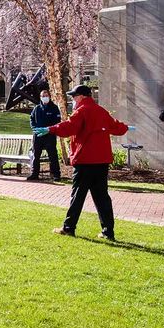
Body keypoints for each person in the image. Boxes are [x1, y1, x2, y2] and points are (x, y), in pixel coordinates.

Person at [34, 85, 131, 241]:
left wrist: (51, 129)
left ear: (82, 96)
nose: (73, 99)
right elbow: (116, 127)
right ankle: (108, 231)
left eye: (74, 96)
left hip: (85, 160)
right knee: (102, 197)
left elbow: (69, 127)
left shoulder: (82, 111)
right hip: (101, 161)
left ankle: (69, 228)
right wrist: (125, 127)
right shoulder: (101, 110)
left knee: (78, 195)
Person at [27, 89, 62, 181]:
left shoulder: (54, 108)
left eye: (46, 95)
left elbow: (57, 121)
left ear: (49, 97)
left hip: (49, 135)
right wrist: (35, 128)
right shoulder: (37, 108)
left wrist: (49, 129)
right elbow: (31, 119)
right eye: (43, 96)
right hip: (38, 135)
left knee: (52, 155)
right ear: (40, 97)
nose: (45, 97)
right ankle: (34, 173)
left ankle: (56, 174)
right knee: (36, 155)